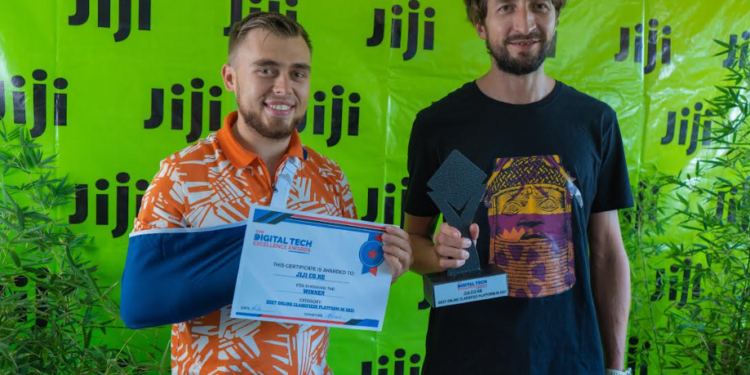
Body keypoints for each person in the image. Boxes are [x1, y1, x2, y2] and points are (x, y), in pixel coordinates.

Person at [120, 12, 413, 375]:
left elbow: (333, 295)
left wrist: (378, 269)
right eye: (266, 70)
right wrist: (260, 255)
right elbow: (142, 301)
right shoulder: (181, 174)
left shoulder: (330, 177)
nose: (283, 87)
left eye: (298, 73)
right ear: (230, 78)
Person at [403, 1, 633, 374]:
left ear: (555, 16)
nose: (524, 23)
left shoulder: (592, 123)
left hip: (571, 361)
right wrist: (444, 254)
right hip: (467, 361)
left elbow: (607, 251)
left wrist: (615, 367)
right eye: (506, 7)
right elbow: (414, 241)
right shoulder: (446, 128)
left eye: (539, 6)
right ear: (480, 24)